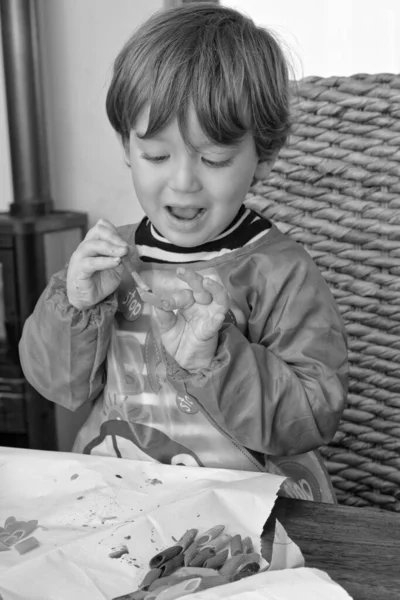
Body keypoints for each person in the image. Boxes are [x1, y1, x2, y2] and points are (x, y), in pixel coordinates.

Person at [19, 2, 348, 502]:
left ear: (263, 157)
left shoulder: (279, 270)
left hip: (250, 510)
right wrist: (76, 305)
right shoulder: (115, 259)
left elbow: (313, 415)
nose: (183, 181)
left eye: (213, 158)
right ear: (126, 146)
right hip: (121, 495)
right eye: (156, 154)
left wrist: (213, 356)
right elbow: (57, 387)